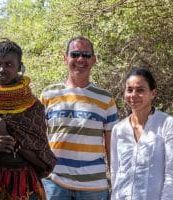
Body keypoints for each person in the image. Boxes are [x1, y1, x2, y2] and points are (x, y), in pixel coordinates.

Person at [0, 39, 56, 200]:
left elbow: (42, 163)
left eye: (8, 64)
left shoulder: (33, 107)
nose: (1, 69)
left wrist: (8, 134)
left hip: (24, 184)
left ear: (20, 67)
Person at [40, 36, 118, 200]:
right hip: (54, 183)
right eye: (75, 54)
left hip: (94, 186)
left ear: (94, 60)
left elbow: (111, 146)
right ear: (65, 58)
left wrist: (116, 181)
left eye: (86, 55)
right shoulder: (49, 94)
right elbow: (38, 139)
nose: (80, 59)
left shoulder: (106, 99)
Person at [110, 67, 173, 200]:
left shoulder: (167, 124)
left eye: (140, 90)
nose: (133, 95)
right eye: (129, 90)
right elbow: (116, 171)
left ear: (153, 93)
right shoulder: (118, 129)